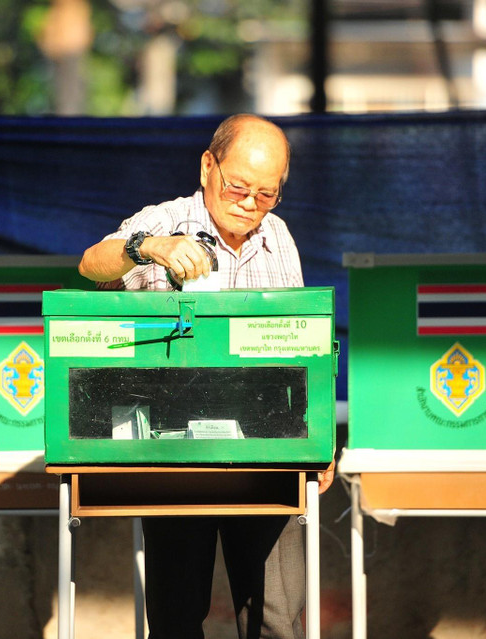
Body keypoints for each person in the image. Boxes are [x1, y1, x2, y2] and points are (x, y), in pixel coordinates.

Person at [78, 113, 335, 639]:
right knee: (176, 615)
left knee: (276, 617)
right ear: (207, 166)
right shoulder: (164, 219)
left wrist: (321, 441)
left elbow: (305, 344)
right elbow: (89, 265)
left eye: (267, 194)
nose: (249, 203)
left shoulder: (278, 236)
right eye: (238, 186)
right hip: (176, 451)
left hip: (266, 449)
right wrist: (147, 247)